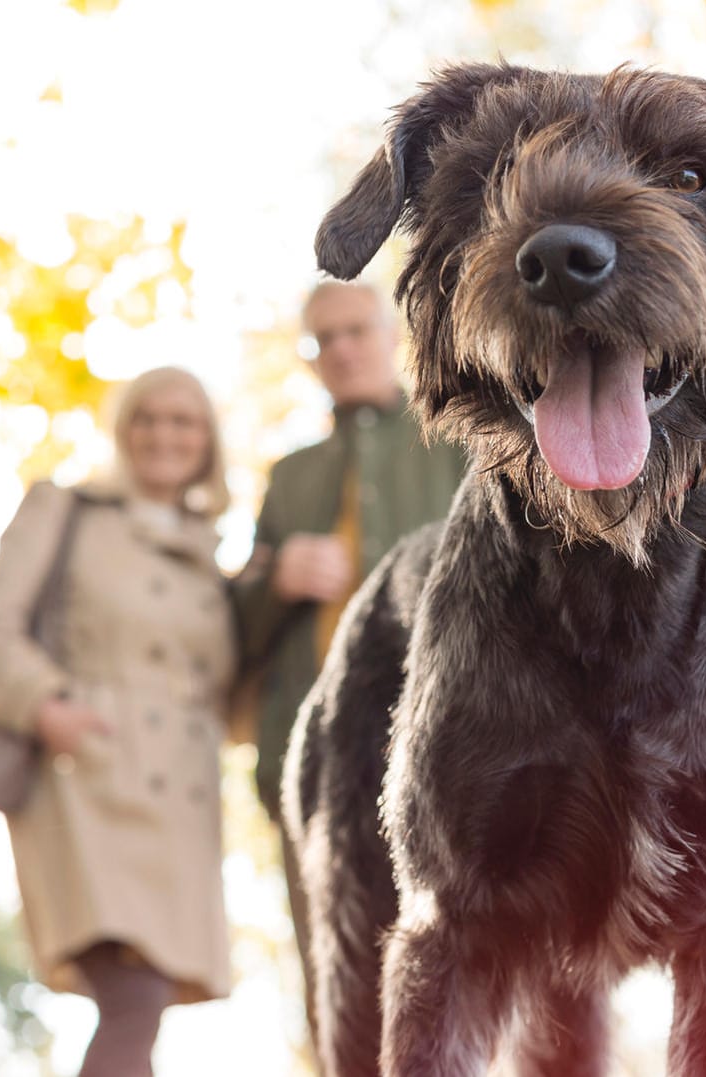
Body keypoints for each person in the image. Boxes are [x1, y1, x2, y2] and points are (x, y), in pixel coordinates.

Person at [0, 367, 234, 1077]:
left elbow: (228, 694)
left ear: (206, 441)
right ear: (123, 429)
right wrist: (48, 706)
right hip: (86, 777)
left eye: (183, 421)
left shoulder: (211, 554)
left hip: (180, 802)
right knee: (131, 993)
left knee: (140, 1001)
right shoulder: (64, 508)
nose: (162, 434)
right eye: (146, 417)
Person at [231, 280, 468, 1042]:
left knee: (469, 976)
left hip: (453, 750)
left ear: (390, 334)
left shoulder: (458, 436)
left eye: (354, 331)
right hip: (319, 766)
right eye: (321, 339)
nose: (341, 349)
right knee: (338, 991)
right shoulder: (288, 476)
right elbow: (233, 634)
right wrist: (274, 579)